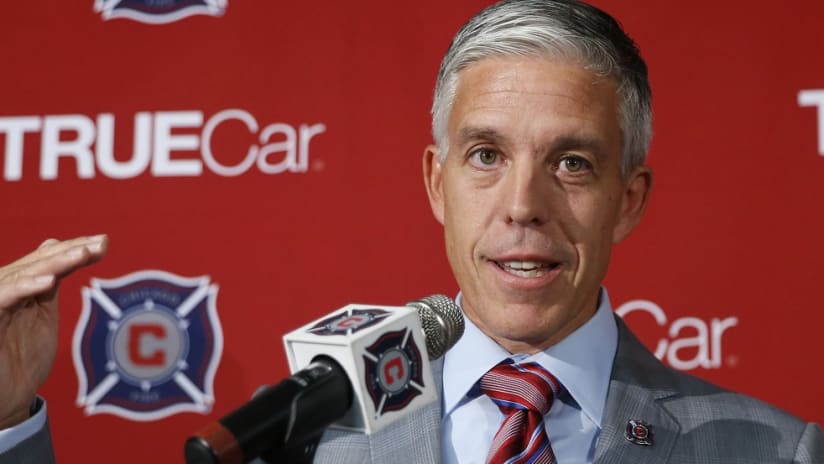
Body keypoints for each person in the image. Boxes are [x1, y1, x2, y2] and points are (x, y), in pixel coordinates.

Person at [0, 1, 821, 463]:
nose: (524, 204)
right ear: (437, 183)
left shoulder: (775, 452)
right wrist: (9, 421)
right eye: (486, 155)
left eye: (571, 162)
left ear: (629, 199)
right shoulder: (307, 431)